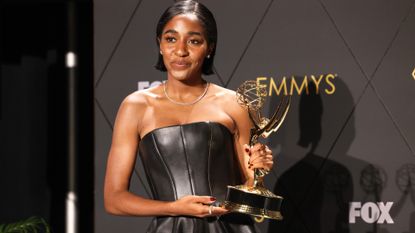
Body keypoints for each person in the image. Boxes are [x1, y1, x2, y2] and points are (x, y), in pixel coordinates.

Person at [104, 1, 274, 232]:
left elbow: (250, 188)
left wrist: (257, 174)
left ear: (210, 48)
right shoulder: (135, 106)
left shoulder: (234, 103)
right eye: (171, 39)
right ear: (159, 44)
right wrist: (174, 207)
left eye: (194, 41)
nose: (181, 50)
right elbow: (114, 200)